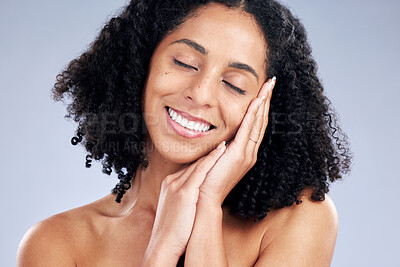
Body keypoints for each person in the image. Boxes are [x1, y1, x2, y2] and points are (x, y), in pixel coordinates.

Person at [17, 0, 351, 266]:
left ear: (266, 107)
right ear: (141, 62)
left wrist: (206, 206)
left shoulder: (301, 218)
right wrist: (161, 251)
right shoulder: (55, 244)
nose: (201, 94)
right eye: (185, 63)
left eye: (234, 85)